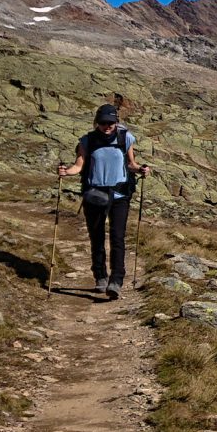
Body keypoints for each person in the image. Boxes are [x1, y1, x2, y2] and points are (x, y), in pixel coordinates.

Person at [55, 103, 150, 299]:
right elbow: (78, 166)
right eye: (103, 122)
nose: (107, 126)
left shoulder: (125, 138)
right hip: (95, 195)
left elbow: (131, 164)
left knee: (117, 237)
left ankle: (116, 280)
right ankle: (100, 277)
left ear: (116, 122)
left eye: (111, 122)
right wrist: (66, 172)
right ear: (96, 122)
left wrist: (141, 169)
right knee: (96, 237)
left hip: (120, 195)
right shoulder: (87, 141)